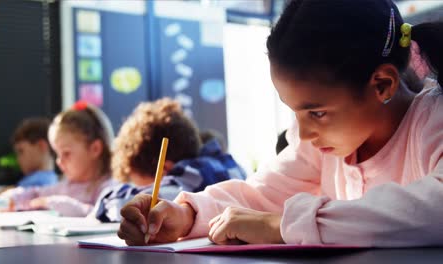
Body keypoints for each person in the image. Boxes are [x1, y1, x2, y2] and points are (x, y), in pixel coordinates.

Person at [117, 0, 443, 247]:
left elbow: (432, 209)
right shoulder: (320, 146)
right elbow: (261, 194)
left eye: (316, 112)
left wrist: (282, 226)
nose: (303, 133)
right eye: (295, 113)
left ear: (381, 84)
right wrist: (186, 216)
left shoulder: (433, 120)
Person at [92, 98, 245, 222]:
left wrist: (105, 202)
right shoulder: (229, 166)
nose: (143, 191)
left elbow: (131, 205)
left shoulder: (192, 178)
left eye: (142, 186)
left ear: (164, 170)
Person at [0, 101, 114, 216]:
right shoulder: (64, 187)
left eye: (66, 153)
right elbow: (35, 193)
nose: (59, 161)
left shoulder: (110, 188)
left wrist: (58, 204)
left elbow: (104, 216)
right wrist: (10, 199)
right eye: (57, 153)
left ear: (95, 149)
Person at [0, 118, 58, 197]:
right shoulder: (47, 179)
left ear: (41, 146)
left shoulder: (39, 182)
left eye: (21, 151)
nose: (18, 159)